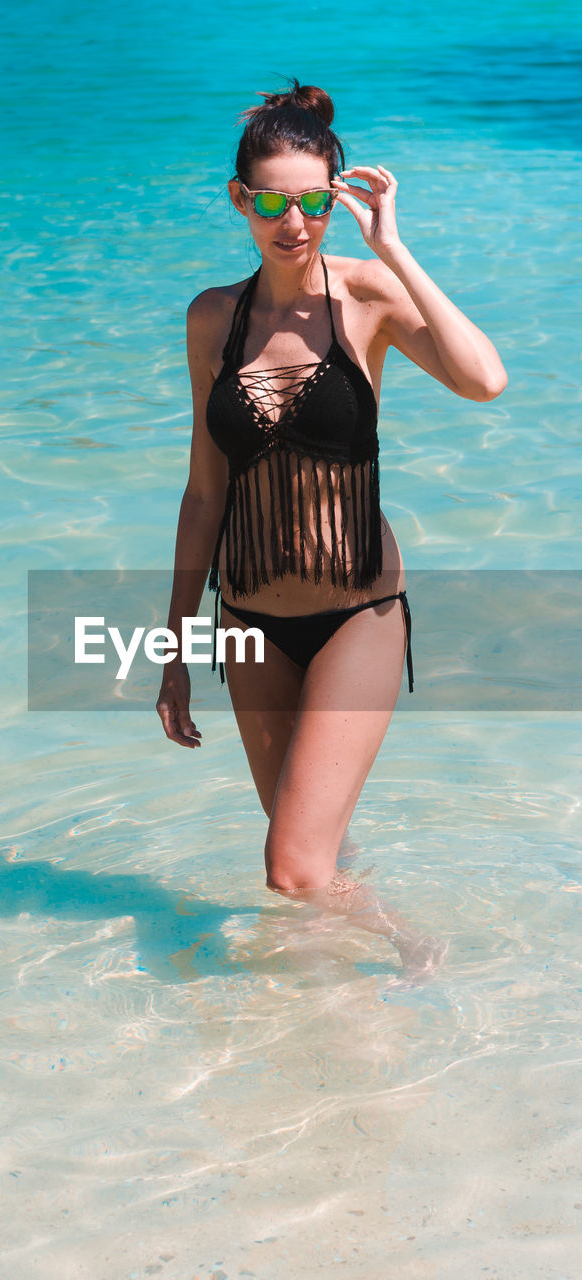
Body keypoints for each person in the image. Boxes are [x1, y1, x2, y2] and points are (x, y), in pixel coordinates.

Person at [155, 80, 507, 978]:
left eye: (313, 200)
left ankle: (419, 955)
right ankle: (334, 1016)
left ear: (334, 197)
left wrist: (395, 249)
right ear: (240, 200)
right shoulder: (211, 319)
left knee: (292, 866)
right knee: (308, 856)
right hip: (249, 619)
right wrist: (172, 649)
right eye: (272, 202)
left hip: (359, 611)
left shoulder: (366, 296)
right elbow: (203, 491)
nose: (294, 222)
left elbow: (483, 381)